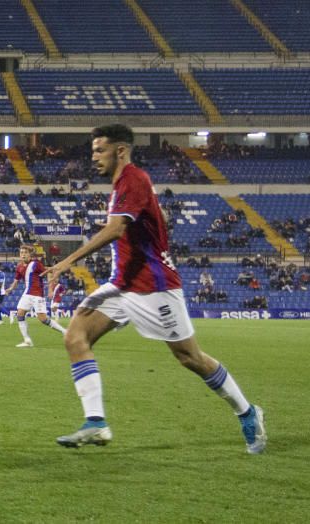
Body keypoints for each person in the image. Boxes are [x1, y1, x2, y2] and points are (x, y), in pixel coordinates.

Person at [45, 124, 265, 453]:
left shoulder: (133, 179)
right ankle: (96, 423)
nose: (94, 157)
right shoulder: (123, 185)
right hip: (122, 284)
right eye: (92, 150)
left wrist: (67, 261)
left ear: (120, 150)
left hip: (154, 287)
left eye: (99, 150)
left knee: (190, 357)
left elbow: (116, 229)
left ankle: (247, 412)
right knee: (75, 335)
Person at [3, 245, 67, 347]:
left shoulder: (36, 264)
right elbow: (16, 281)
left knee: (43, 319)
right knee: (20, 313)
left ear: (30, 254)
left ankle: (66, 332)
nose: (23, 254)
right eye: (21, 252)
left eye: (25, 252)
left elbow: (48, 272)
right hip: (27, 294)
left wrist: (50, 289)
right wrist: (10, 289)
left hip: (37, 295)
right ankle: (27, 340)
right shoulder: (19, 267)